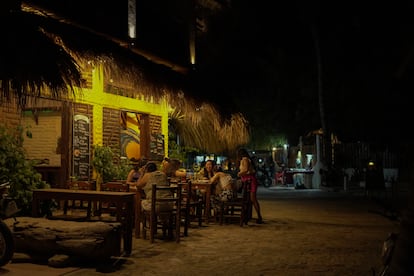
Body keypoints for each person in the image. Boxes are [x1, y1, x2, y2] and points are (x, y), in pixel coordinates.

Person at [237, 148, 263, 224]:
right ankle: (248, 216)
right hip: (248, 180)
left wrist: (239, 174)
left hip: (250, 180)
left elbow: (245, 170)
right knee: (250, 199)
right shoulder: (246, 159)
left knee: (253, 199)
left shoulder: (245, 160)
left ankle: (259, 216)